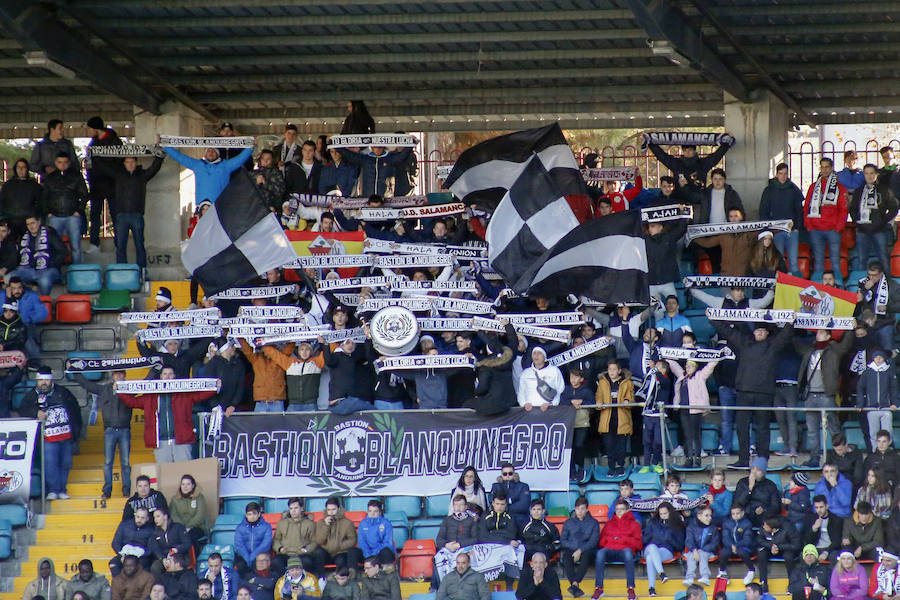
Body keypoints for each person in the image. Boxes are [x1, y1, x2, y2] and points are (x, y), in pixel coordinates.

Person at [711, 315, 795, 468]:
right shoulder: (745, 343)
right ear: (753, 332)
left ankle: (763, 461)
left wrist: (791, 322)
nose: (760, 333)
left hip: (764, 393)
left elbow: (785, 335)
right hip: (744, 392)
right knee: (742, 427)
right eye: (757, 330)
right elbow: (728, 332)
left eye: (763, 330)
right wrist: (713, 319)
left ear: (767, 333)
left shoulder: (773, 345)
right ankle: (743, 460)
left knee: (763, 428)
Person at [117, 366, 219, 462]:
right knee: (164, 474)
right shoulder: (151, 396)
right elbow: (132, 402)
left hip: (182, 440)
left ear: (174, 376)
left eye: (170, 374)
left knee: (184, 473)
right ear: (161, 376)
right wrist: (119, 389)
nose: (167, 376)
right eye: (165, 374)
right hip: (161, 441)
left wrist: (215, 386)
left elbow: (201, 395)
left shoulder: (183, 394)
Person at [92, 151, 164, 271]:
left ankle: (142, 273)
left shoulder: (142, 175)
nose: (130, 164)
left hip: (137, 215)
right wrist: (94, 155)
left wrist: (160, 155)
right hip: (121, 216)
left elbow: (154, 168)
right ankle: (122, 272)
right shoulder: (119, 175)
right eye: (127, 162)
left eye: (132, 161)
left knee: (139, 245)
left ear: (136, 163)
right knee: (120, 246)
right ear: (124, 163)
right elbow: (105, 168)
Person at [19, 366, 81, 499]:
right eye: (41, 380)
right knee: (50, 464)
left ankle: (62, 490)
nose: (43, 383)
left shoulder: (63, 392)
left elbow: (75, 410)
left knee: (65, 463)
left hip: (66, 436)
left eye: (46, 380)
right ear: (37, 381)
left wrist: (76, 432)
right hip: (47, 437)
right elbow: (22, 409)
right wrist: (36, 412)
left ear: (51, 380)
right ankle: (53, 490)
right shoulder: (32, 395)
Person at [798, 327, 856, 466]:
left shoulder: (834, 350)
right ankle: (814, 458)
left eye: (822, 332)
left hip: (826, 395)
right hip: (810, 395)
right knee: (812, 430)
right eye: (818, 332)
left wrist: (850, 329)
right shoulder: (809, 349)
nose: (818, 334)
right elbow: (794, 342)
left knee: (834, 428)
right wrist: (790, 324)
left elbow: (846, 345)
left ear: (829, 336)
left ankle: (841, 455)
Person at [71, 368, 131, 499]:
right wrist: (74, 371)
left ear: (125, 376)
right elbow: (87, 385)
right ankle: (107, 491)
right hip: (110, 430)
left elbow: (147, 384)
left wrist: (155, 370)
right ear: (112, 376)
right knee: (108, 462)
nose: (119, 376)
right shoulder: (105, 389)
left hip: (124, 430)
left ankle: (127, 491)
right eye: (116, 374)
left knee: (125, 462)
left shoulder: (130, 388)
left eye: (121, 374)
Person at [645, 136, 734, 209]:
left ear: (694, 151)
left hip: (698, 202)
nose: (687, 152)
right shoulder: (677, 164)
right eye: (685, 150)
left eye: (690, 150)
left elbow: (716, 156)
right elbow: (662, 156)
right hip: (680, 203)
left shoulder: (702, 164)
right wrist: (650, 143)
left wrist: (727, 143)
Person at [161, 139, 254, 205]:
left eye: (214, 150)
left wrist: (251, 147)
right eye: (208, 150)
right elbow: (180, 157)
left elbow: (240, 159)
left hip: (221, 207)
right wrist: (165, 146)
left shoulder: (226, 166)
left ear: (218, 154)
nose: (211, 152)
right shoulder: (197, 165)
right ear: (205, 154)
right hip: (202, 207)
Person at [667, 356, 719, 468]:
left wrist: (717, 357)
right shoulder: (682, 375)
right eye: (686, 366)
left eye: (690, 366)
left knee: (696, 435)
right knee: (687, 435)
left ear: (695, 367)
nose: (687, 367)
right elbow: (674, 366)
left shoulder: (700, 376)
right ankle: (689, 458)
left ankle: (698, 459)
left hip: (696, 409)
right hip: (684, 409)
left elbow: (710, 366)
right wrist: (665, 356)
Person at [805, 158, 849, 280]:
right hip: (815, 230)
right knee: (818, 262)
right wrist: (809, 225)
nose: (824, 170)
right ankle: (818, 288)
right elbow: (806, 207)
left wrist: (839, 227)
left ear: (831, 168)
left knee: (835, 261)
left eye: (826, 167)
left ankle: (838, 287)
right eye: (822, 167)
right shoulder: (813, 187)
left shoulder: (840, 188)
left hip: (833, 230)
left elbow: (844, 209)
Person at [41, 151, 90, 264]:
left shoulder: (76, 176)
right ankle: (57, 272)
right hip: (55, 216)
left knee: (76, 246)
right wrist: (48, 212)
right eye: (59, 162)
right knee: (54, 246)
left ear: (69, 163)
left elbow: (84, 195)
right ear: (55, 163)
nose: (62, 165)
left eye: (65, 162)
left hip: (72, 216)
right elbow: (44, 197)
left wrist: (78, 210)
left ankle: (77, 273)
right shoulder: (50, 178)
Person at [85, 116, 123, 253]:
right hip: (96, 186)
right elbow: (89, 165)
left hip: (112, 185)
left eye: (89, 128)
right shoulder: (92, 144)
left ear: (96, 128)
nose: (88, 131)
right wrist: (90, 181)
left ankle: (119, 244)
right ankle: (94, 244)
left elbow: (119, 163)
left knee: (116, 215)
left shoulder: (115, 141)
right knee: (94, 215)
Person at [850, 164, 898, 270]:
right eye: (866, 173)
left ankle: (887, 282)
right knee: (862, 259)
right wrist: (857, 222)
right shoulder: (859, 191)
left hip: (879, 229)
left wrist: (883, 221)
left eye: (872, 173)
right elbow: (852, 209)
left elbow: (894, 207)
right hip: (862, 230)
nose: (869, 176)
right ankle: (862, 284)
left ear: (876, 175)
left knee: (883, 258)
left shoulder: (884, 190)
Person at [759, 162, 805, 272]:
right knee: (778, 261)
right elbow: (763, 211)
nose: (783, 176)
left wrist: (797, 227)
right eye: (780, 173)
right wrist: (770, 228)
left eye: (785, 173)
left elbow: (799, 211)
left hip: (791, 231)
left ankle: (794, 287)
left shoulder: (793, 189)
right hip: (776, 231)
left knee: (793, 262)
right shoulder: (769, 190)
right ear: (776, 174)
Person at [7, 214, 67, 295]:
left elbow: (63, 251)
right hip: (28, 270)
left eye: (33, 223)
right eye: (28, 224)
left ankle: (43, 303)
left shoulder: (49, 232)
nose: (31, 226)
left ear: (39, 222)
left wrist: (51, 263)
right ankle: (24, 299)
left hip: (48, 269)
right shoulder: (25, 236)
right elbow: (18, 255)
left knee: (44, 280)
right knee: (11, 277)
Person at [596, 359, 634, 477]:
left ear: (619, 371)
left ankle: (620, 466)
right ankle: (611, 467)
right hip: (607, 418)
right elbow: (599, 395)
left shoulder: (627, 382)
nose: (611, 372)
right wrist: (599, 402)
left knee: (621, 445)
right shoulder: (602, 382)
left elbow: (631, 395)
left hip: (622, 418)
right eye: (609, 369)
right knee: (609, 445)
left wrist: (627, 400)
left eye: (614, 369)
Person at [433, 495, 479, 589]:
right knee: (438, 558)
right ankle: (437, 588)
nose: (458, 508)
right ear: (453, 506)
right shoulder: (447, 520)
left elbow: (476, 539)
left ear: (466, 507)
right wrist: (447, 545)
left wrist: (459, 545)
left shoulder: (472, 521)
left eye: (461, 505)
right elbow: (439, 540)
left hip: (465, 549)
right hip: (448, 549)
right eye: (456, 505)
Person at [855, 260, 900, 353]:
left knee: (886, 334)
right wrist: (864, 291)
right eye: (869, 274)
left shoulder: (892, 285)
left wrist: (887, 307)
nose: (871, 277)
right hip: (866, 324)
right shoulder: (863, 284)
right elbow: (856, 310)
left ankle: (889, 362)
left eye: (874, 275)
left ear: (881, 274)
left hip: (885, 323)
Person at [641, 501, 685, 596]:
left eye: (665, 513)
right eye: (661, 514)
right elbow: (644, 539)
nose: (663, 516)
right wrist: (649, 537)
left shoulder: (677, 525)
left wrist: (670, 539)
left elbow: (680, 545)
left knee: (649, 558)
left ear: (670, 512)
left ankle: (651, 588)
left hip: (667, 550)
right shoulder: (652, 523)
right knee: (652, 547)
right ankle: (661, 573)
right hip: (650, 548)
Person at [312, 497, 364, 576]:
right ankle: (320, 578)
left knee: (341, 560)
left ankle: (339, 578)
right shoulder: (321, 522)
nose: (331, 512)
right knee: (318, 553)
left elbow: (352, 540)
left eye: (333, 509)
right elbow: (319, 541)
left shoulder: (347, 523)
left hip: (340, 551)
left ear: (339, 509)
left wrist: (339, 545)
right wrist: (326, 526)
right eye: (329, 510)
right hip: (326, 552)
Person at [560, 496, 599, 599]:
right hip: (572, 550)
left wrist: (580, 550)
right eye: (577, 509)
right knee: (566, 557)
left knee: (587, 555)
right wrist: (576, 550)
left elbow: (594, 541)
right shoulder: (568, 522)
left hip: (587, 550)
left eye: (582, 509)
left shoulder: (594, 523)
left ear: (587, 509)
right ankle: (575, 584)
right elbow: (563, 540)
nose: (579, 511)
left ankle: (574, 583)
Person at [336, 145, 414, 197]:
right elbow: (349, 155)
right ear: (372, 148)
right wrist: (335, 145)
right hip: (369, 199)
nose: (377, 149)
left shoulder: (390, 158)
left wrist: (410, 145)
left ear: (383, 147)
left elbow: (402, 156)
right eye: (375, 147)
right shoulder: (365, 159)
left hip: (386, 199)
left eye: (379, 147)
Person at [858, 350, 898, 449]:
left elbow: (894, 389)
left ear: (884, 358)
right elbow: (860, 388)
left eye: (880, 357)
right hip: (871, 408)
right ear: (873, 358)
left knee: (888, 431)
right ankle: (875, 451)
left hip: (886, 408)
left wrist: (894, 403)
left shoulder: (889, 371)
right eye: (876, 357)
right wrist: (860, 404)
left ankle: (888, 451)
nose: (878, 359)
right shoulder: (867, 372)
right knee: (873, 432)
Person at [273, 498, 321, 577]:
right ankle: (285, 581)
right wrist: (280, 548)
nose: (293, 511)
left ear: (301, 508)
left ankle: (304, 581)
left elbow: (314, 541)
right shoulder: (282, 523)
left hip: (301, 554)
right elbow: (276, 539)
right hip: (285, 553)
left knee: (307, 562)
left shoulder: (309, 524)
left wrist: (306, 550)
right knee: (276, 561)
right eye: (291, 508)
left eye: (296, 508)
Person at [0, 158, 42, 238]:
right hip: (10, 220)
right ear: (15, 169)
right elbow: (2, 202)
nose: (21, 170)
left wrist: (34, 216)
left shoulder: (34, 186)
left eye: (23, 167)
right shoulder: (8, 185)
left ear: (27, 169)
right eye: (18, 167)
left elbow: (40, 203)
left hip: (28, 221)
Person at [733, 457, 780, 526]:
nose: (754, 472)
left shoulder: (770, 485)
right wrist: (749, 489)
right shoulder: (742, 482)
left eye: (758, 470)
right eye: (753, 468)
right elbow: (738, 502)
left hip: (764, 516)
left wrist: (764, 510)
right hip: (745, 515)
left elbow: (776, 506)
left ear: (763, 473)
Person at [168, 474, 209, 555]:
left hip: (197, 527)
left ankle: (193, 561)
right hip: (179, 528)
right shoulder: (175, 499)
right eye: (183, 484)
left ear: (193, 485)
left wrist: (189, 527)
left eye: (188, 484)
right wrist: (183, 528)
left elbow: (200, 516)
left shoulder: (199, 497)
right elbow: (174, 515)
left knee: (190, 537)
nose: (185, 487)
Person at [756, 516, 798, 592]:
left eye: (766, 526)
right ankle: (763, 582)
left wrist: (779, 547)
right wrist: (771, 546)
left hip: (785, 548)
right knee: (761, 554)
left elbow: (796, 545)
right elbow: (759, 540)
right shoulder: (763, 529)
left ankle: (792, 582)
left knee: (789, 556)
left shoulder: (788, 528)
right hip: (770, 548)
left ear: (773, 529)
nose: (763, 527)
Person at [148, 508, 192, 576]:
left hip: (180, 555)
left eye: (158, 516)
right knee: (155, 567)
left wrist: (176, 549)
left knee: (175, 565)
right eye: (154, 517)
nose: (155, 519)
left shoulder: (178, 527)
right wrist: (162, 559)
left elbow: (187, 543)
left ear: (165, 516)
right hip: (164, 557)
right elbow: (155, 549)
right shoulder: (155, 533)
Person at [683, 505, 720, 587]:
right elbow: (689, 541)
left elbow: (715, 543)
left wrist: (702, 550)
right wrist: (694, 550)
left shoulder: (713, 528)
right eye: (706, 515)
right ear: (699, 516)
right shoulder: (691, 527)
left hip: (709, 551)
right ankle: (689, 578)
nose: (709, 518)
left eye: (710, 515)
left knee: (702, 554)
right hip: (694, 551)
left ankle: (705, 577)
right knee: (691, 555)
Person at [717, 504, 755, 583]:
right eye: (733, 514)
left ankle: (751, 570)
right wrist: (732, 545)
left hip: (743, 546)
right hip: (730, 546)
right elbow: (725, 538)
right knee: (724, 553)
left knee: (742, 552)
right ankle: (722, 571)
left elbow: (747, 539)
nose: (735, 515)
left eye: (737, 513)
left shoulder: (747, 523)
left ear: (742, 513)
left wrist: (736, 546)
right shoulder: (727, 523)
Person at [111, 507, 155, 573]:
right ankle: (119, 583)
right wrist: (121, 555)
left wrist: (140, 556)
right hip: (124, 553)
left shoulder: (151, 529)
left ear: (147, 519)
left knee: (140, 565)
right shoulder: (125, 525)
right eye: (137, 517)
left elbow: (151, 548)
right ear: (134, 515)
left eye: (142, 518)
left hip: (141, 557)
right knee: (113, 564)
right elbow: (115, 542)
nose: (139, 520)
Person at [234, 502, 273, 577]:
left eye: (254, 514)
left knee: (260, 564)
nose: (252, 516)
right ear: (246, 515)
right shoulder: (240, 527)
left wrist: (252, 557)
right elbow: (239, 545)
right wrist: (247, 558)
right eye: (249, 514)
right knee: (240, 566)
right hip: (244, 556)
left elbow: (266, 545)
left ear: (259, 514)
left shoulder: (267, 526)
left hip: (260, 555)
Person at [490, 463, 531, 527]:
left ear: (514, 474)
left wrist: (504, 506)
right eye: (505, 474)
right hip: (500, 516)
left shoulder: (523, 486)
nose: (508, 476)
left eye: (510, 473)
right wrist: (510, 503)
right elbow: (492, 502)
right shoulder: (496, 486)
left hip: (518, 517)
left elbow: (524, 505)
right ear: (502, 475)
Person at [807, 494, 845, 563]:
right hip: (816, 549)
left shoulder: (836, 520)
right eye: (816, 507)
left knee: (834, 557)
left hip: (831, 549)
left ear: (827, 506)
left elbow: (837, 541)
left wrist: (826, 552)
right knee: (803, 556)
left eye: (821, 507)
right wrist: (814, 529)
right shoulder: (812, 519)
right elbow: (807, 541)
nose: (819, 510)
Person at [357, 500, 395, 567]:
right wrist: (368, 555)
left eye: (375, 511)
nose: (372, 513)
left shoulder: (386, 523)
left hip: (380, 553)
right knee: (352, 551)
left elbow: (387, 543)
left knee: (386, 551)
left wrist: (374, 554)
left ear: (380, 512)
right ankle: (353, 573)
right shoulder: (363, 523)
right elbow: (361, 542)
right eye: (370, 511)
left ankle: (387, 574)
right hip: (367, 554)